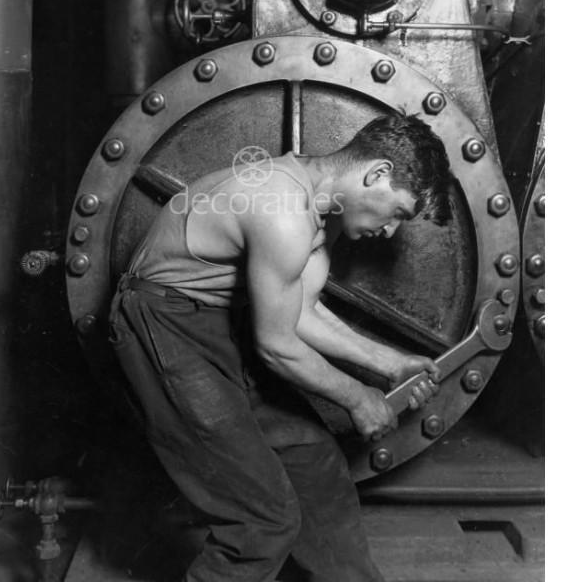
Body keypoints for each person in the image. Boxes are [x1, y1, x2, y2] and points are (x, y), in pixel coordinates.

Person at [109, 111, 453, 582]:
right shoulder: (281, 209)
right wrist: (358, 397)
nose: (391, 231)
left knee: (315, 465)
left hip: (217, 323)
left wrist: (390, 363)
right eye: (397, 213)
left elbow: (301, 312)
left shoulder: (320, 208)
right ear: (376, 174)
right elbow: (275, 344)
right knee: (263, 519)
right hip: (163, 326)